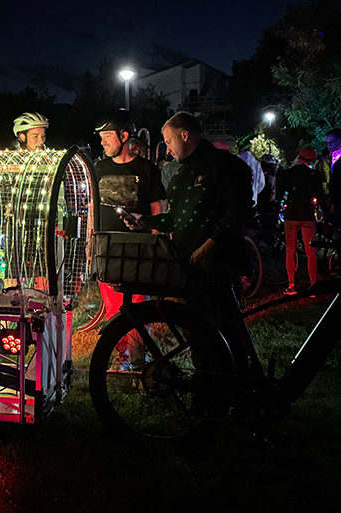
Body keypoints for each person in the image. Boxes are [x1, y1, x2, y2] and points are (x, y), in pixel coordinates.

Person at [152, 112, 256, 376]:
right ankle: (208, 393)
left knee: (226, 333)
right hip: (190, 268)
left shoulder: (226, 166)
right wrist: (145, 222)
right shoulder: (183, 172)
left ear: (185, 135)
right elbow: (177, 218)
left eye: (169, 141)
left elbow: (239, 210)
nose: (168, 148)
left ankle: (236, 392)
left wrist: (211, 244)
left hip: (218, 266)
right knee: (198, 335)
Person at [92, 108, 167, 320]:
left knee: (137, 306)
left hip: (138, 247)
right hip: (106, 245)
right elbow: (92, 205)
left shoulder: (147, 169)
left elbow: (156, 206)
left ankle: (136, 352)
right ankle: (119, 351)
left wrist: (155, 237)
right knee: (112, 306)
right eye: (101, 137)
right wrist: (91, 237)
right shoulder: (99, 168)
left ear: (123, 136)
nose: (102, 142)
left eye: (107, 136)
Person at [277, 147, 322, 294]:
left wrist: (277, 209)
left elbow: (279, 194)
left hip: (291, 214)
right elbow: (320, 196)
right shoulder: (314, 175)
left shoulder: (288, 174)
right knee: (311, 251)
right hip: (307, 215)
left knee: (290, 250)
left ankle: (291, 285)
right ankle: (313, 285)